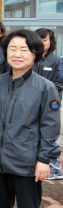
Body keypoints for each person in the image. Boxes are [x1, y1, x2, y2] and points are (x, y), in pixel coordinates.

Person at [0, 29, 60, 208]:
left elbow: (50, 126)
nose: (17, 54)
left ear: (35, 53)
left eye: (23, 50)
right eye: (12, 49)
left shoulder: (45, 87)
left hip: (27, 162)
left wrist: (44, 160)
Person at [34, 28, 63, 180]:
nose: (41, 42)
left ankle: (56, 168)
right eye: (39, 39)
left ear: (51, 42)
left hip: (50, 103)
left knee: (51, 133)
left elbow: (59, 83)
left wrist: (44, 94)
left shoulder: (57, 60)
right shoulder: (32, 58)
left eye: (45, 40)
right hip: (33, 102)